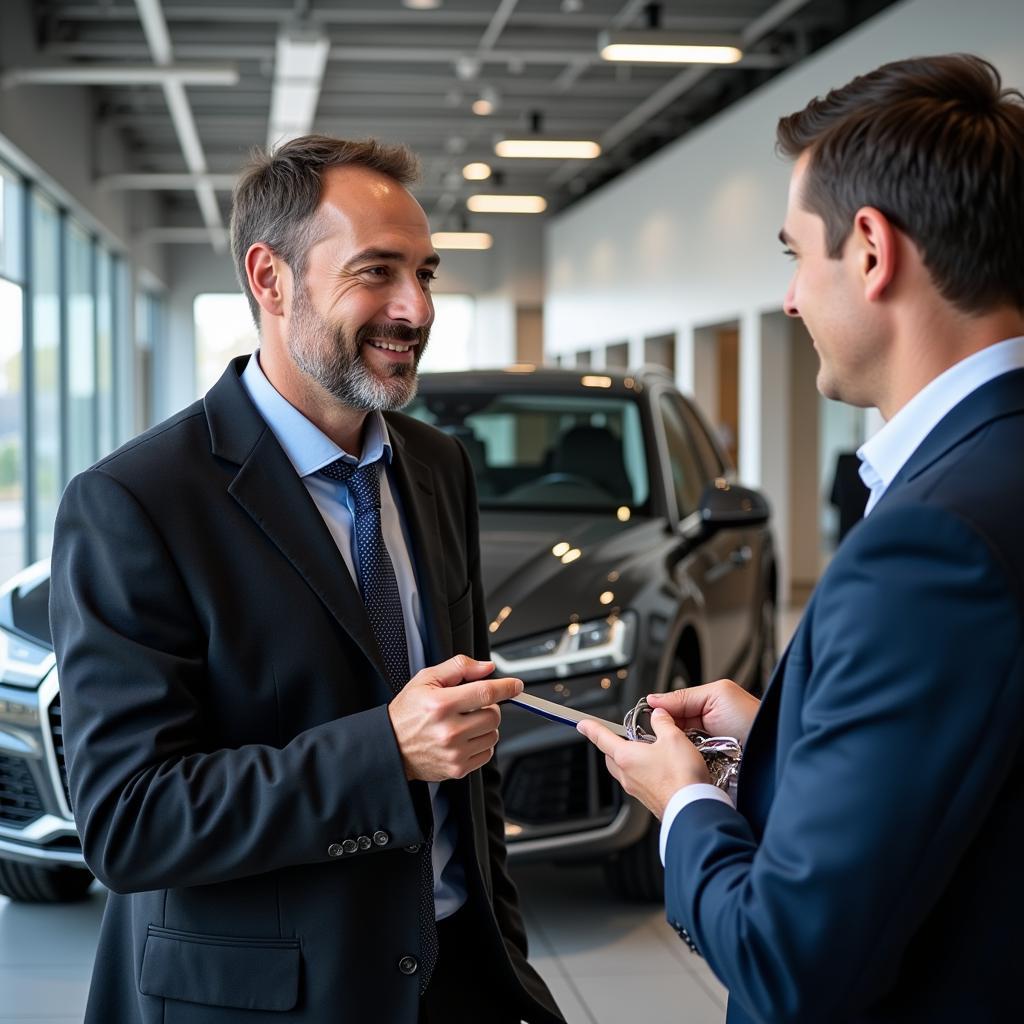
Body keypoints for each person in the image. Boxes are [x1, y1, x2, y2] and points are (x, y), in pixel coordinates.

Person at [49, 136, 563, 1024]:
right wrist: (385, 752)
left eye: (426, 272)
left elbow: (470, 760)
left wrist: (503, 957)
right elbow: (129, 823)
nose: (415, 307)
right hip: (266, 1003)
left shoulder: (437, 467)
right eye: (377, 272)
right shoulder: (136, 501)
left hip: (458, 982)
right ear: (270, 278)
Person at [578, 54, 1024, 1022]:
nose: (788, 300)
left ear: (869, 250)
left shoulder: (928, 546)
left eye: (793, 254)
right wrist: (781, 735)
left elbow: (788, 963)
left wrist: (684, 802)